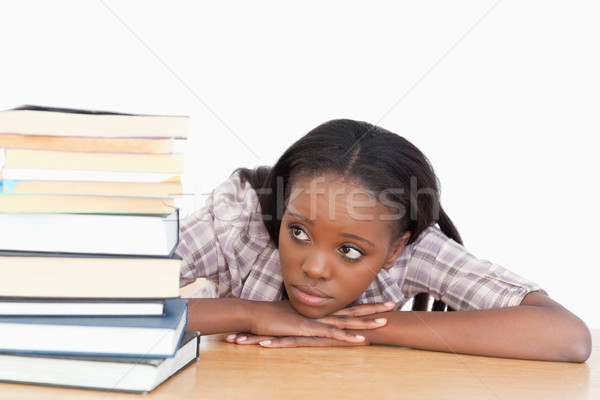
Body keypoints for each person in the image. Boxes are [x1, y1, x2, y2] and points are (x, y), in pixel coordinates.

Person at [178, 119, 591, 362]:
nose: (315, 268)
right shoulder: (240, 218)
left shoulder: (416, 249)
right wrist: (249, 313)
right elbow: (112, 298)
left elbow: (566, 336)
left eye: (350, 251)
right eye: (298, 232)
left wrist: (366, 328)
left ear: (395, 249)